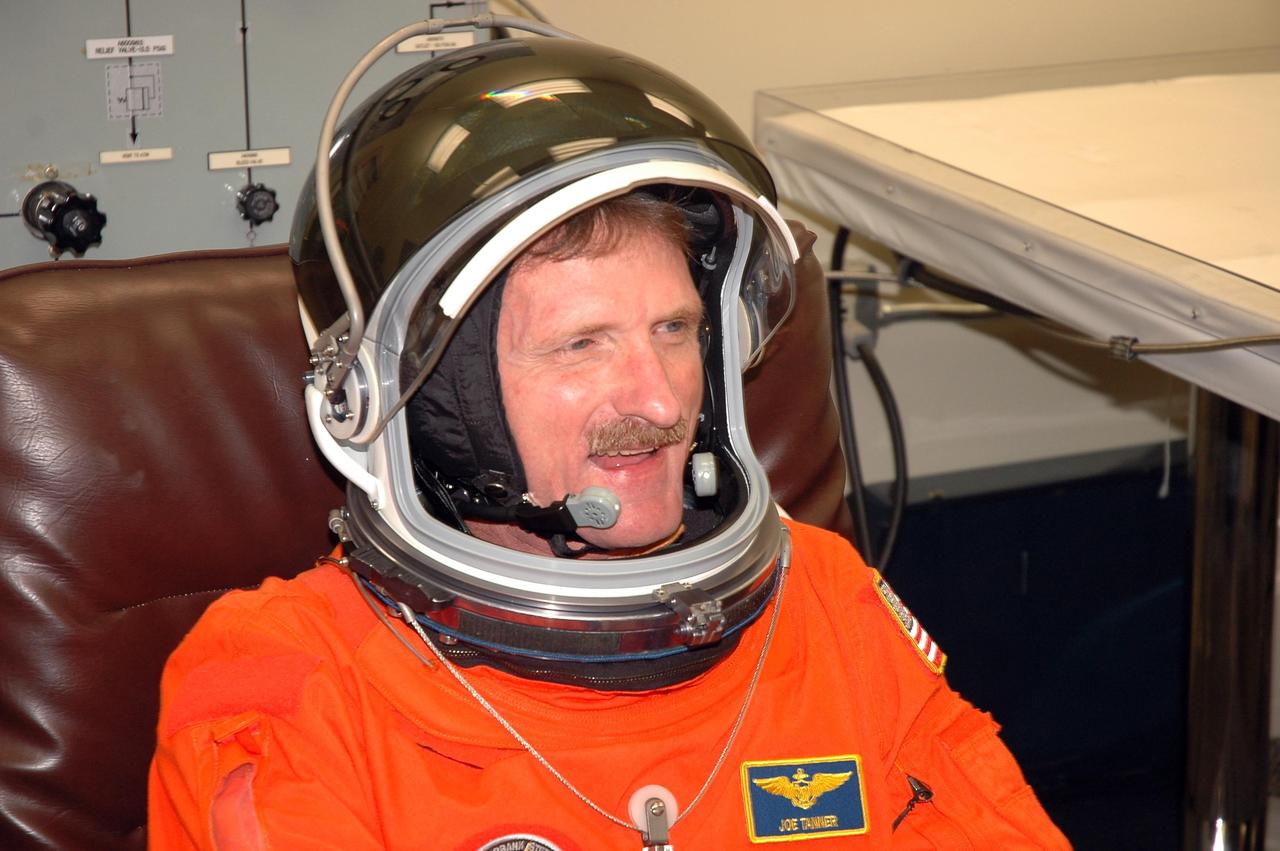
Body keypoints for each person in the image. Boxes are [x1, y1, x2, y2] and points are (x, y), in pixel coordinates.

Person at [149, 32, 1069, 850]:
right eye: (581, 345)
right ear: (433, 404)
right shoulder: (290, 686)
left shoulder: (828, 604)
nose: (659, 398)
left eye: (674, 329)